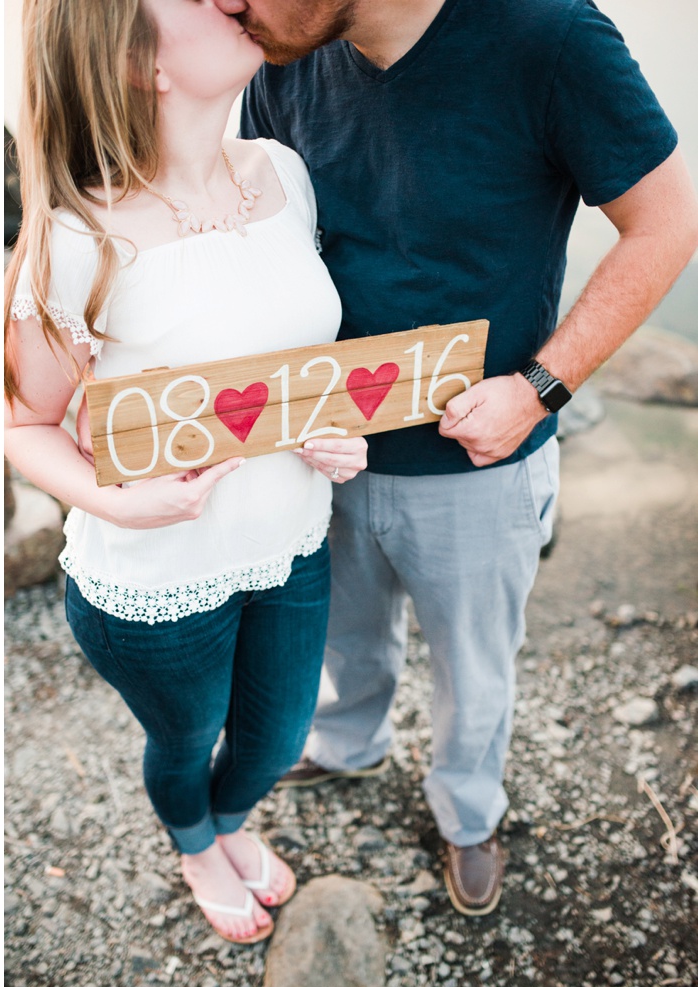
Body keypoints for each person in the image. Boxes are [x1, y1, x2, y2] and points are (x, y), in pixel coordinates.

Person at [224, 0, 698, 915]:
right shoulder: (284, 49)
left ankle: (469, 811)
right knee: (345, 635)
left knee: (475, 665)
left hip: (483, 464)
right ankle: (349, 742)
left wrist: (541, 387)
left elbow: (669, 220)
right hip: (327, 450)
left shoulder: (550, 35)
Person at [4, 0, 368, 945]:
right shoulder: (74, 236)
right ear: (141, 62)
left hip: (293, 543)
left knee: (278, 740)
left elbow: (301, 368)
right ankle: (197, 840)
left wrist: (340, 433)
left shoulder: (284, 173)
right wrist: (113, 500)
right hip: (151, 579)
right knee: (184, 739)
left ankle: (233, 817)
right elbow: (21, 420)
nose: (236, 1)